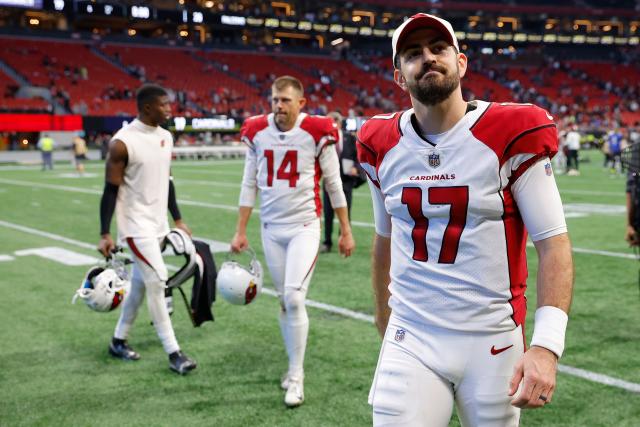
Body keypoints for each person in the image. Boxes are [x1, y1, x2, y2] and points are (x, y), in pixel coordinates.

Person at [357, 14, 574, 426]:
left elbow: (553, 243)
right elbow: (384, 238)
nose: (427, 58)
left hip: (491, 341)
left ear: (461, 62)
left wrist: (547, 346)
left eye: (438, 49)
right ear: (399, 77)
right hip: (412, 334)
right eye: (413, 53)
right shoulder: (379, 141)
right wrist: (384, 319)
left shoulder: (511, 130)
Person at [230, 75, 356, 407]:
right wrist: (240, 229)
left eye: (285, 100)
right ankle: (292, 366)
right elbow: (248, 183)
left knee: (295, 298)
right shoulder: (257, 131)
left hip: (303, 226)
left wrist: (345, 230)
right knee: (285, 303)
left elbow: (333, 184)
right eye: (274, 99)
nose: (278, 106)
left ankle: (296, 376)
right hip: (271, 228)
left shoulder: (315, 131)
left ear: (301, 104)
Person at [98, 84, 197, 375]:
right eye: (164, 105)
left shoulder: (166, 136)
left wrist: (177, 219)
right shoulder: (122, 142)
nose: (170, 109)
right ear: (147, 108)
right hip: (135, 226)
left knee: (141, 285)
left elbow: (167, 182)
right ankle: (174, 352)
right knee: (158, 280)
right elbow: (109, 190)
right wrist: (105, 232)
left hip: (158, 224)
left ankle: (118, 340)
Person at [320, 111, 361, 253]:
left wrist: (356, 168)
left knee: (345, 212)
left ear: (337, 123)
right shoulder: (324, 139)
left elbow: (358, 157)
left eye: (330, 122)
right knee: (328, 214)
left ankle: (343, 239)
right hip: (328, 183)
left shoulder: (350, 138)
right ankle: (327, 242)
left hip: (345, 181)